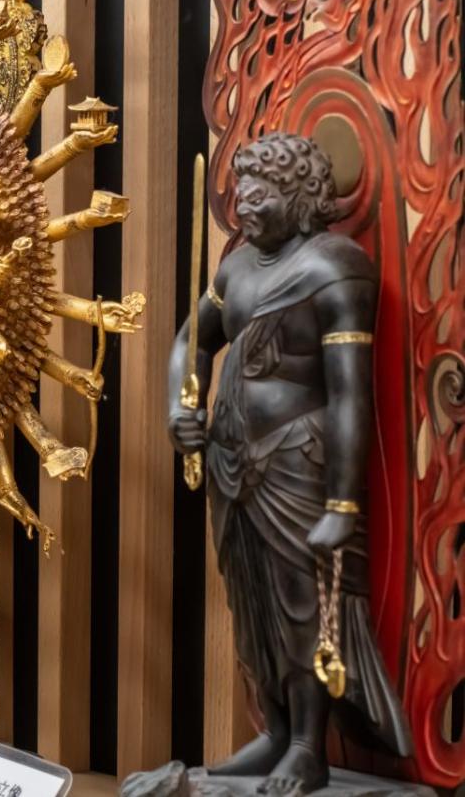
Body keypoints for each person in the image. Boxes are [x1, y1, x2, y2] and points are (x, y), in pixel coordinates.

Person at [168, 133, 411, 794]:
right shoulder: (236, 270)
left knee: (301, 600)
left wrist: (342, 504)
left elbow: (351, 392)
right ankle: (275, 730)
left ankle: (308, 743)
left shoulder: (335, 268)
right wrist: (181, 406)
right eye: (242, 194)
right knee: (249, 599)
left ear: (300, 197)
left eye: (263, 195)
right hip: (230, 460)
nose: (246, 206)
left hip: (299, 458)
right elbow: (192, 340)